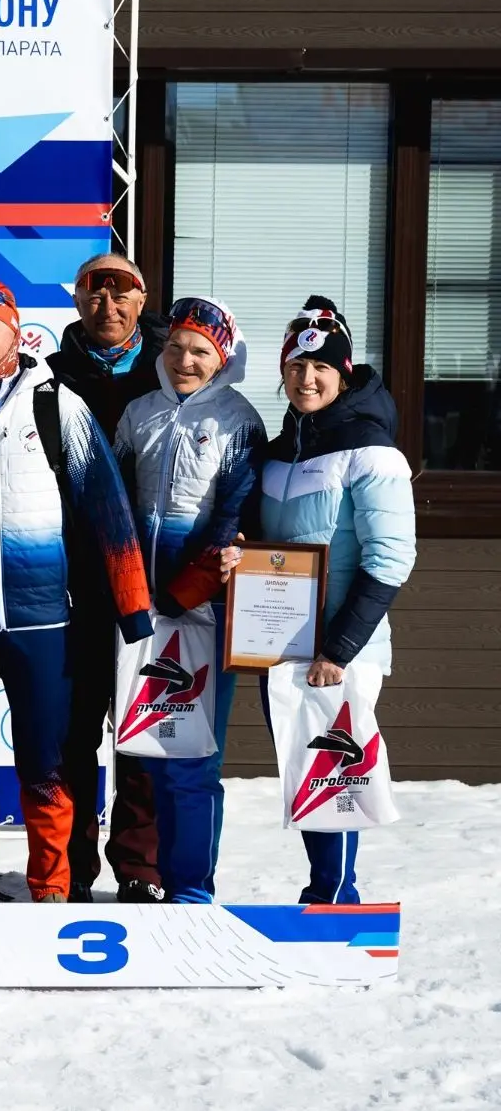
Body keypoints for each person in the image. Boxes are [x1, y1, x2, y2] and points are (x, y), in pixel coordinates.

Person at [0, 277, 152, 903]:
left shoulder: (59, 406)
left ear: (15, 333)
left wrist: (134, 611)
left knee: (48, 761)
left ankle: (53, 889)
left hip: (47, 623)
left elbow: (109, 511)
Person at [230, 297, 414, 905]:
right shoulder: (282, 449)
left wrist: (340, 647)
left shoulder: (373, 450)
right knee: (305, 766)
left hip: (340, 649)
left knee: (334, 770)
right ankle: (325, 892)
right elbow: (267, 544)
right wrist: (238, 554)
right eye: (295, 367)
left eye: (321, 369)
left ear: (344, 372)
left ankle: (336, 900)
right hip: (283, 642)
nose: (306, 379)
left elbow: (391, 559)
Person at [112, 297, 263, 903]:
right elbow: (115, 503)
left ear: (222, 358)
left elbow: (233, 517)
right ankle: (141, 875)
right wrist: (126, 589)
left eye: (201, 351)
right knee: (143, 749)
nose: (185, 360)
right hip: (138, 607)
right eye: (175, 347)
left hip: (198, 612)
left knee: (194, 756)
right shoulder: (138, 413)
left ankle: (191, 888)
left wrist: (184, 592)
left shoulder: (238, 421)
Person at [48, 252, 171, 903]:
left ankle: (139, 865)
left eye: (122, 293)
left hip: (151, 588)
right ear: (77, 300)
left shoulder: (170, 379)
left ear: (141, 299)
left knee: (143, 730)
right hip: (70, 587)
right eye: (95, 292)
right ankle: (71, 864)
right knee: (72, 734)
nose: (108, 305)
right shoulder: (47, 383)